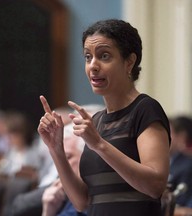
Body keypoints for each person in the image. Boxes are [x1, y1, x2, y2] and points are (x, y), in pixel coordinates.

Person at [38, 19, 171, 216]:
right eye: (88, 57)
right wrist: (56, 149)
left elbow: (155, 185)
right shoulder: (97, 121)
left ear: (129, 62)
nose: (93, 66)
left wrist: (99, 144)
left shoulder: (145, 109)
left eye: (104, 56)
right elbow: (82, 202)